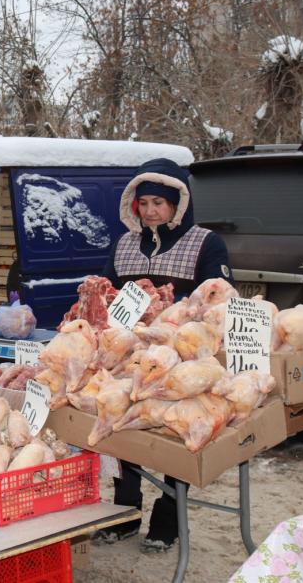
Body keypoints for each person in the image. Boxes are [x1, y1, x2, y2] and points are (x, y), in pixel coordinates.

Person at [97, 158, 232, 553]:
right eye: (145, 203)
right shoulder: (124, 243)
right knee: (122, 429)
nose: (152, 210)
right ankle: (125, 513)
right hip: (130, 360)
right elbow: (107, 294)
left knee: (178, 436)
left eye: (160, 201)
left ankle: (168, 520)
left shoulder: (206, 242)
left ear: (179, 203)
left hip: (183, 362)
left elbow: (220, 297)